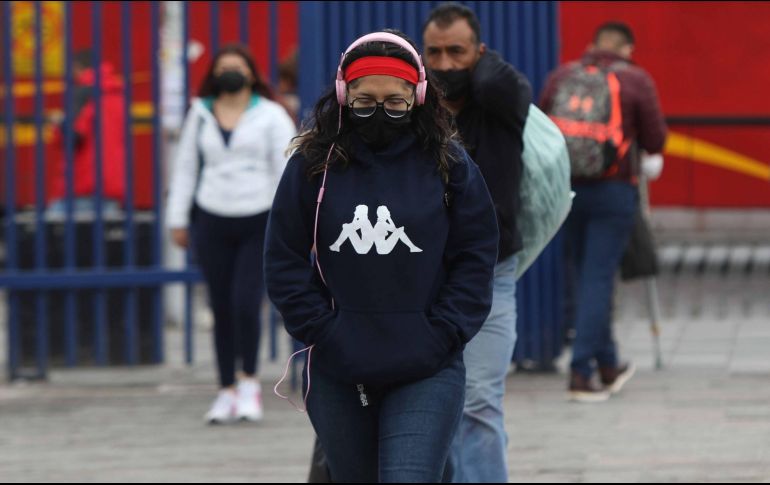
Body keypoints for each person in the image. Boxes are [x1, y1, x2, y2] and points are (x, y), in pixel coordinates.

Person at [265, 30, 499, 483]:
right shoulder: (313, 163)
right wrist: (322, 330)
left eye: (396, 101)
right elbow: (282, 255)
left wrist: (445, 331)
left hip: (428, 362)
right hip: (339, 366)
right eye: (364, 100)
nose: (379, 113)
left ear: (419, 95)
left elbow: (476, 253)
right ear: (342, 95)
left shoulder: (449, 163)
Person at [422, 3, 532, 482]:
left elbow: (498, 83)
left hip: (489, 276)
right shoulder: (413, 110)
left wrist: (477, 65)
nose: (444, 64)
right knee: (433, 407)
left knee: (480, 402)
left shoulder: (498, 104)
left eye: (457, 52)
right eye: (434, 52)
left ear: (480, 52)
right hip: (423, 280)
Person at [166, 44, 296, 424]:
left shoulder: (271, 115)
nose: (231, 73)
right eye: (224, 68)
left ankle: (249, 383)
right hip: (212, 217)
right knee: (220, 306)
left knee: (244, 302)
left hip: (259, 217)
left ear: (253, 73)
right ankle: (224, 390)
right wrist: (177, 218)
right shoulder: (200, 113)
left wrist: (287, 222)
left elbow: (285, 169)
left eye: (238, 67)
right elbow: (187, 166)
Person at [540, 22, 667, 402]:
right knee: (598, 278)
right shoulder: (635, 80)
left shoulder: (563, 74)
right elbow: (656, 139)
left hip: (567, 188)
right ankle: (582, 373)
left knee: (583, 275)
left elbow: (542, 124)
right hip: (613, 191)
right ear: (628, 48)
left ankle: (608, 363)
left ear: (593, 44)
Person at [49, 50, 126, 215]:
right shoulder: (116, 94)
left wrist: (59, 123)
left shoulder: (84, 93)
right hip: (111, 184)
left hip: (83, 183)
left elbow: (74, 137)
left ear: (78, 67)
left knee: (55, 235)